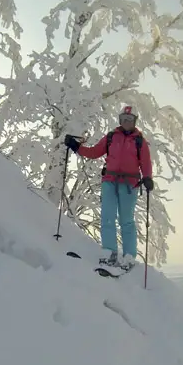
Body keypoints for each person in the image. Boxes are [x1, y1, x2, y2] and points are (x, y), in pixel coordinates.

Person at [64, 106, 154, 270]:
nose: (126, 122)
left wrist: (148, 177)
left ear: (134, 121)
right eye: (124, 119)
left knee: (126, 220)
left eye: (130, 119)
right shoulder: (111, 137)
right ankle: (109, 253)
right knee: (107, 217)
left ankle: (128, 257)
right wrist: (76, 146)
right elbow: (94, 152)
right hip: (110, 181)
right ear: (120, 120)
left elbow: (146, 162)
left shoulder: (139, 140)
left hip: (129, 184)